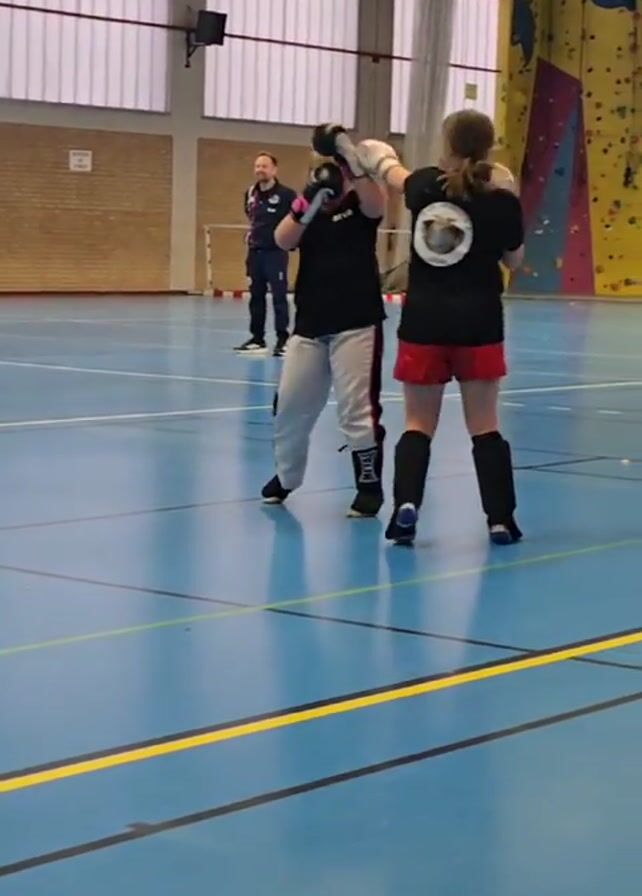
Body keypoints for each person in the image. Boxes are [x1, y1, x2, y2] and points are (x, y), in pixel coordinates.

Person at [313, 111, 525, 546]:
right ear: (488, 146)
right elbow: (514, 261)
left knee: (417, 423)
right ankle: (500, 519)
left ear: (447, 144)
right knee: (484, 425)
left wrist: (352, 150)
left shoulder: (425, 184)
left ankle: (406, 507)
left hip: (425, 322)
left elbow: (387, 169)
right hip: (480, 323)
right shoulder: (502, 201)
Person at [261, 149, 387, 518]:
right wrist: (308, 199)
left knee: (356, 410)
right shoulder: (307, 210)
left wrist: (352, 164)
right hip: (310, 324)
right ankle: (287, 477)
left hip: (356, 321)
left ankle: (368, 485)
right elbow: (282, 240)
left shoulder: (360, 204)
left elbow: (378, 205)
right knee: (289, 405)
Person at [235, 153, 297, 358]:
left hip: (276, 253)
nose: (260, 169)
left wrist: (290, 241)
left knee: (279, 297)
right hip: (255, 253)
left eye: (264, 166)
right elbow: (251, 216)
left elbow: (296, 220)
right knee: (256, 297)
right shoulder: (250, 193)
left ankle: (282, 340)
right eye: (257, 166)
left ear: (274, 170)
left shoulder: (287, 195)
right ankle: (257, 339)